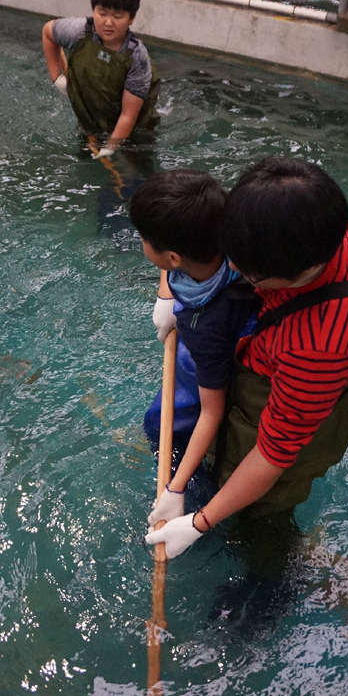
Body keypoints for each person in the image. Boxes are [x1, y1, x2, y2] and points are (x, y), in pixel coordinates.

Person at [145, 158, 348, 559]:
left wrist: (199, 522)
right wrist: (172, 288)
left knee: (261, 519)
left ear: (282, 275)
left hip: (286, 416)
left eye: (242, 270)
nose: (230, 268)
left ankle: (267, 585)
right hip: (260, 363)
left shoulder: (320, 344)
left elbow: (274, 454)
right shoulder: (300, 218)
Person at [130, 169, 260, 526]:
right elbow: (172, 263)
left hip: (220, 350)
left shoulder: (210, 327)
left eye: (143, 237)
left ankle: (198, 488)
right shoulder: (225, 228)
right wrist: (166, 293)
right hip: (209, 318)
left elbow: (212, 411)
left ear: (174, 257)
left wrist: (175, 488)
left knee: (162, 427)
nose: (141, 242)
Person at [41, 0, 159, 159]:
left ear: (131, 18)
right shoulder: (78, 32)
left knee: (133, 171)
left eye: (118, 16)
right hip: (91, 120)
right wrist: (58, 79)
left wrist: (111, 147)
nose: (108, 22)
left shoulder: (137, 57)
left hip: (133, 131)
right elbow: (48, 32)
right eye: (102, 13)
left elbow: (128, 115)